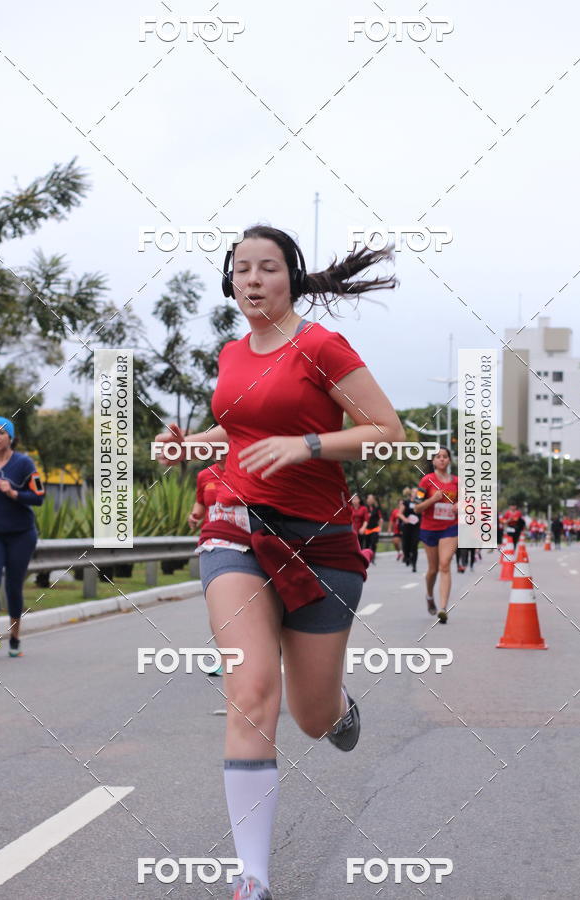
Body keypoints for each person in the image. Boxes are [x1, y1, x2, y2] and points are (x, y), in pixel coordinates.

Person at [154, 225, 404, 900]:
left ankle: (336, 708)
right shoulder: (231, 354)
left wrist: (310, 445)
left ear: (291, 277)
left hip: (321, 541)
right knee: (252, 689)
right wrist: (192, 447)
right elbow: (239, 431)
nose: (253, 280)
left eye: (267, 268)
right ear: (230, 282)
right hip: (236, 529)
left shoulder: (320, 347)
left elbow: (388, 434)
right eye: (241, 270)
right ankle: (254, 877)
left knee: (310, 715)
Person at [0, 417, 45, 657]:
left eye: (1, 433)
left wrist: (13, 492)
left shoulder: (24, 463)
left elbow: (39, 496)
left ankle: (14, 637)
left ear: (11, 437)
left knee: (13, 586)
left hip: (21, 534)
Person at [189, 456, 227, 676]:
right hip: (211, 545)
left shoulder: (246, 470)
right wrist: (194, 516)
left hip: (243, 544)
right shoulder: (204, 475)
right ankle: (225, 658)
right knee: (216, 607)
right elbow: (201, 505)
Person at [414, 447, 458, 623]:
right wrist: (433, 499)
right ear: (433, 461)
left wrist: (459, 506)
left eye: (445, 457)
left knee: (445, 564)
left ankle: (443, 608)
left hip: (450, 527)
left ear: (449, 461)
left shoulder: (457, 482)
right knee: (433, 570)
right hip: (430, 527)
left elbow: (468, 503)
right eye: (438, 457)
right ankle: (430, 596)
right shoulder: (426, 481)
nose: (442, 459)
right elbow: (416, 507)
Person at [399, 487, 421, 572]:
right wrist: (405, 519)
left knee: (414, 544)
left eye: (417, 492)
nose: (415, 494)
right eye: (414, 492)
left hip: (416, 526)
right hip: (407, 526)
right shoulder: (406, 502)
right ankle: (407, 557)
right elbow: (399, 514)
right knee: (406, 545)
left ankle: (414, 565)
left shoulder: (420, 502)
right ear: (411, 493)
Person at [360, 493, 383, 563]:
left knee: (373, 542)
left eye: (371, 499)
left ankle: (372, 556)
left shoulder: (376, 508)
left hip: (374, 528)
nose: (370, 500)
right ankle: (367, 557)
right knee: (366, 544)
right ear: (367, 500)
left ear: (373, 500)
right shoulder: (364, 508)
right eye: (369, 499)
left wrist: (380, 528)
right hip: (367, 529)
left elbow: (380, 519)